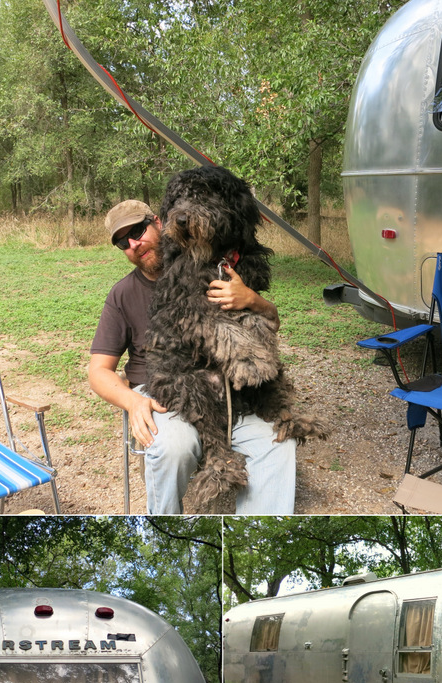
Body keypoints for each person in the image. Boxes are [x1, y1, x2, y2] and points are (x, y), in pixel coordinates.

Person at [88, 199, 297, 514]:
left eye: (137, 230)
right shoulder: (123, 295)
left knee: (277, 443)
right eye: (123, 241)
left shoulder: (211, 268)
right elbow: (98, 371)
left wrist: (252, 300)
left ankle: (255, 542)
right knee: (175, 448)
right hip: (163, 392)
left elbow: (272, 322)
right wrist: (132, 401)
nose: (134, 243)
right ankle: (164, 533)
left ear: (158, 222)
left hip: (227, 391)